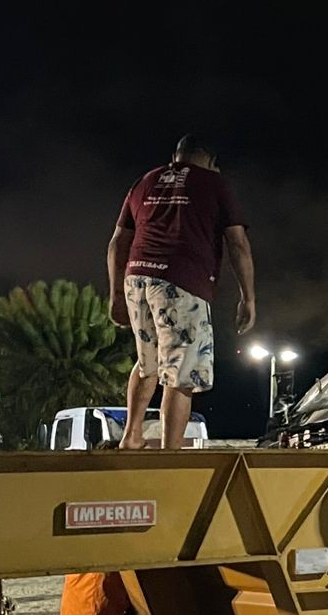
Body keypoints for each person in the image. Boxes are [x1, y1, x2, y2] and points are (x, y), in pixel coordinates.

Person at [107, 134, 256, 449]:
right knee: (182, 371)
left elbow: (118, 241)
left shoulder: (145, 181)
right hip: (181, 282)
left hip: (137, 277)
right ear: (209, 160)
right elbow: (238, 244)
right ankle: (169, 453)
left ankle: (131, 437)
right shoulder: (214, 184)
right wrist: (248, 297)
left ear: (176, 155)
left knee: (148, 360)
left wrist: (116, 295)